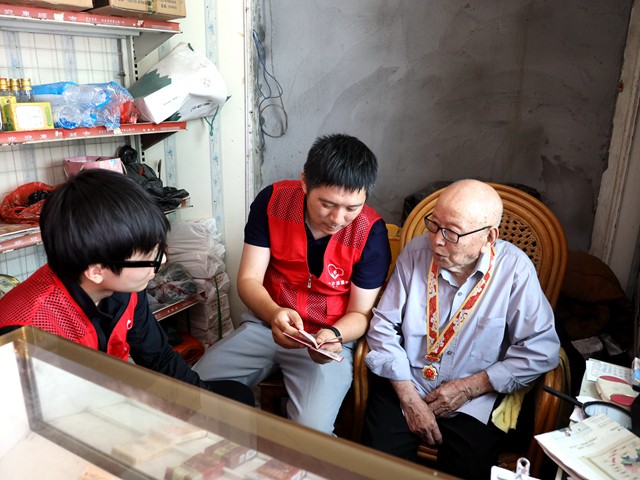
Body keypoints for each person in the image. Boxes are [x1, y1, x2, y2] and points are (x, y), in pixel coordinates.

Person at [0, 169, 253, 406]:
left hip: (108, 399)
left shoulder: (122, 287)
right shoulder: (27, 333)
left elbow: (159, 357)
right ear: (96, 270)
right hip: (68, 417)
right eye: (150, 256)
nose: (163, 261)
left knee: (235, 397)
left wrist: (204, 407)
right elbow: (43, 420)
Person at [193, 133, 391, 434]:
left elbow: (360, 314)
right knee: (190, 390)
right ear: (305, 183)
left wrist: (334, 335)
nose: (337, 218)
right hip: (265, 326)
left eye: (352, 208)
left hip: (326, 342)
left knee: (310, 433)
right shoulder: (272, 201)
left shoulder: (371, 233)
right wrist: (274, 314)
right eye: (326, 204)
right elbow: (248, 279)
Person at [362, 179, 560, 480]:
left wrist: (470, 387)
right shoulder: (416, 253)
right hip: (407, 383)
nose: (437, 241)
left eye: (452, 232)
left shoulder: (514, 270)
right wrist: (409, 399)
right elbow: (383, 328)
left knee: (469, 470)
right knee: (373, 468)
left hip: (473, 401)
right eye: (434, 225)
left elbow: (541, 350)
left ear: (489, 237)